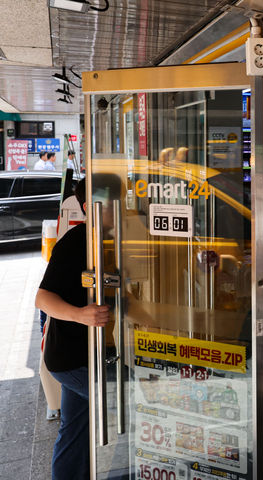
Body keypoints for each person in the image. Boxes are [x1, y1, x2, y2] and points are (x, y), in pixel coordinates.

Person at [35, 178, 110, 480]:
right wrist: (80, 315)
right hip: (72, 359)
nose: (120, 208)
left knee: (75, 431)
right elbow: (42, 298)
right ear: (89, 207)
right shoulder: (76, 242)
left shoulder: (112, 238)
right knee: (122, 404)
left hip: (84, 355)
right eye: (109, 201)